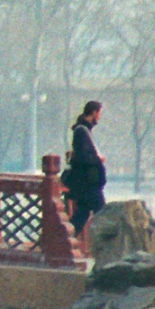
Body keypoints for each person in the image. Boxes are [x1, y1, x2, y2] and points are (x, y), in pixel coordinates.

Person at [61, 100, 106, 236]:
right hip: (88, 183)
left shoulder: (83, 130)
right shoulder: (82, 131)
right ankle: (107, 242)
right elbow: (82, 157)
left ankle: (65, 238)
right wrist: (98, 159)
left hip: (85, 184)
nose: (99, 117)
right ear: (94, 112)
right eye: (99, 113)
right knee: (103, 214)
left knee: (82, 214)